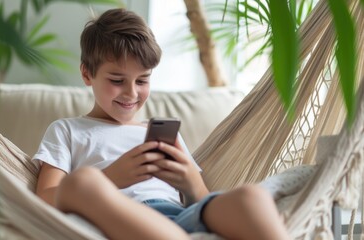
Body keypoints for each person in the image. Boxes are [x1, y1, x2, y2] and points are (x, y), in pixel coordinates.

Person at [34, 8, 290, 240]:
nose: (131, 93)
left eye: (142, 81)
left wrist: (190, 182)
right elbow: (43, 198)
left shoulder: (157, 134)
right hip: (116, 219)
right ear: (87, 74)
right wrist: (111, 179)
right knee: (82, 182)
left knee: (251, 196)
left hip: (179, 218)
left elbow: (200, 200)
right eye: (117, 80)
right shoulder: (67, 130)